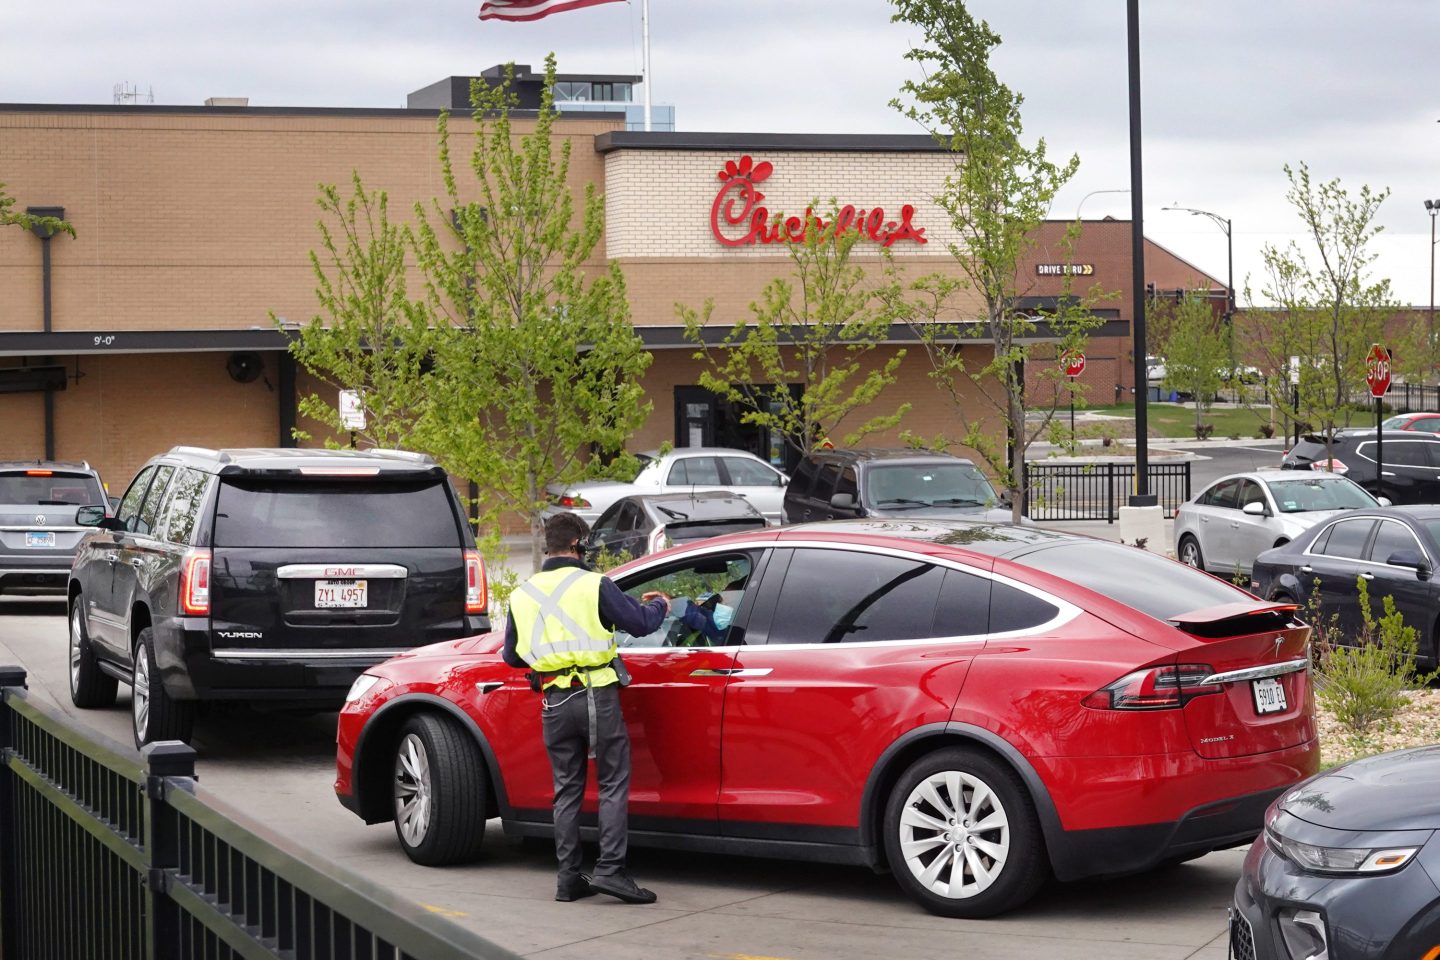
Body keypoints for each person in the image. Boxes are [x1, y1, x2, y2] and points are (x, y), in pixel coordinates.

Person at [503, 512, 669, 905]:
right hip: (597, 696)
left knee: (566, 790)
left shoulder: (522, 594)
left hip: (553, 702)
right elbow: (641, 623)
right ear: (578, 543)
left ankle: (568, 879)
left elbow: (511, 656)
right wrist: (662, 604)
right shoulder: (594, 584)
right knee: (611, 783)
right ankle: (611, 871)